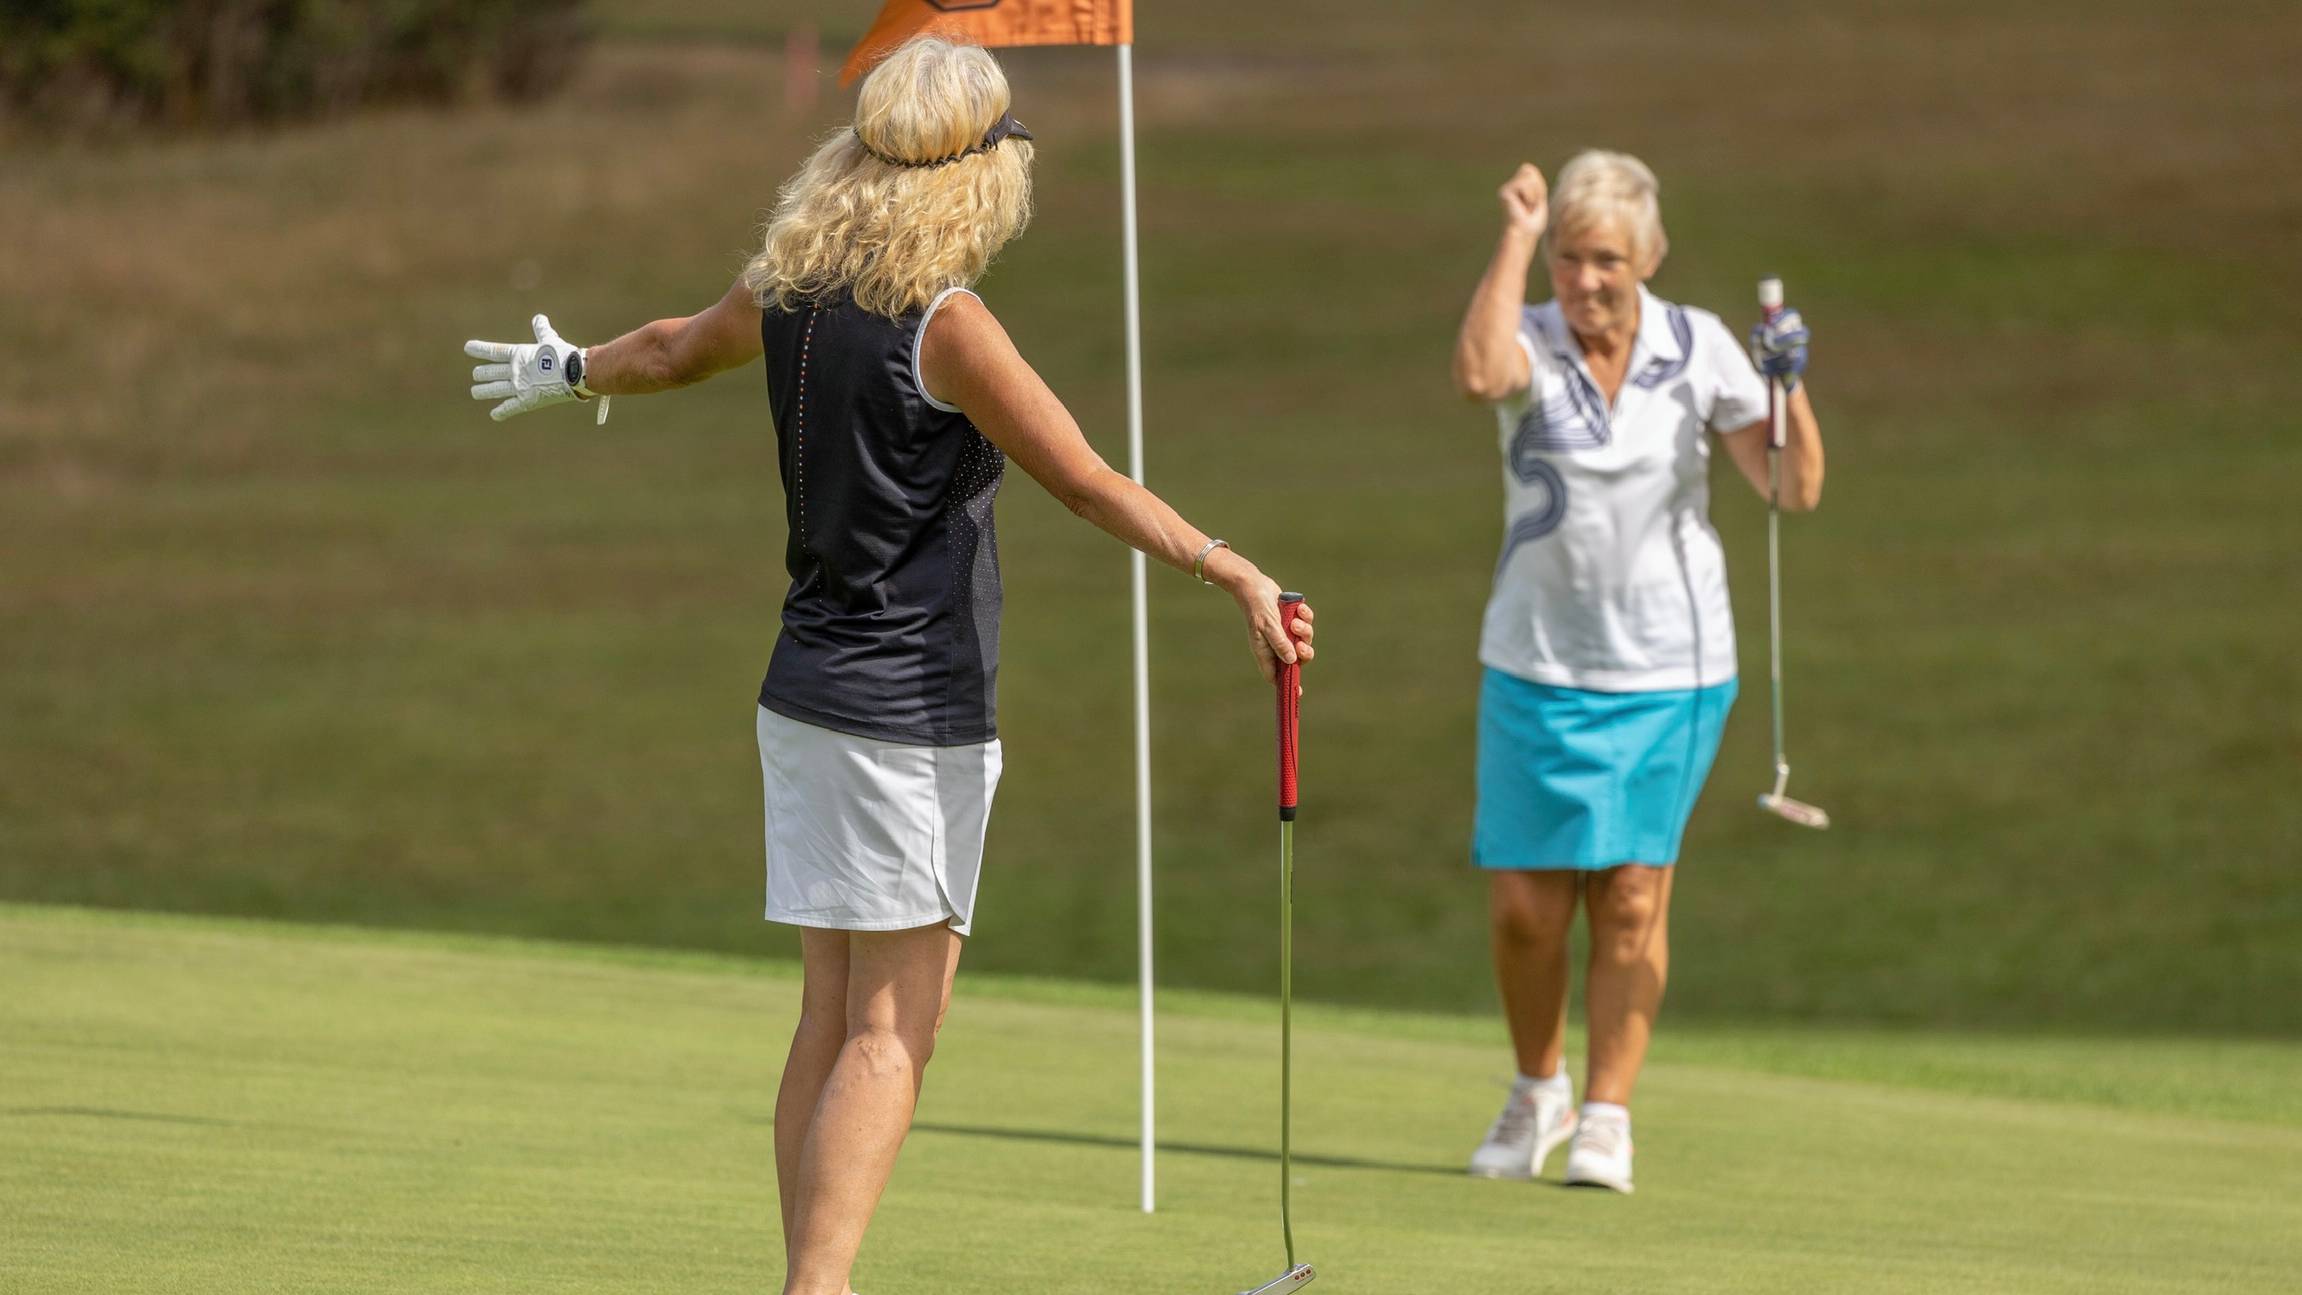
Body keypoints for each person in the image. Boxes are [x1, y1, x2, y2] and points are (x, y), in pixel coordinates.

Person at [461, 37, 1315, 1295]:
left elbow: (667, 347)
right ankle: (822, 1285)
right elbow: (1083, 479)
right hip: (908, 710)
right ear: (980, 175)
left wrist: (569, 366)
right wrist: (1231, 566)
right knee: (891, 1026)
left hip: (804, 697)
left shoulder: (790, 285)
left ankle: (809, 1277)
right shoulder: (947, 323)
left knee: (828, 1012)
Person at [1450, 150, 1822, 1193]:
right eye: (1569, 258)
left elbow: (1790, 488)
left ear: (1647, 256)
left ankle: (1607, 1111)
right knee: (1526, 904)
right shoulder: (1524, 332)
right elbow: (1478, 374)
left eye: (1605, 257)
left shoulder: (1698, 345)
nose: (1585, 280)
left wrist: (1789, 389)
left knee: (1628, 893)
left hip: (1671, 666)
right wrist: (1517, 234)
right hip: (1534, 658)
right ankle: (1539, 1091)